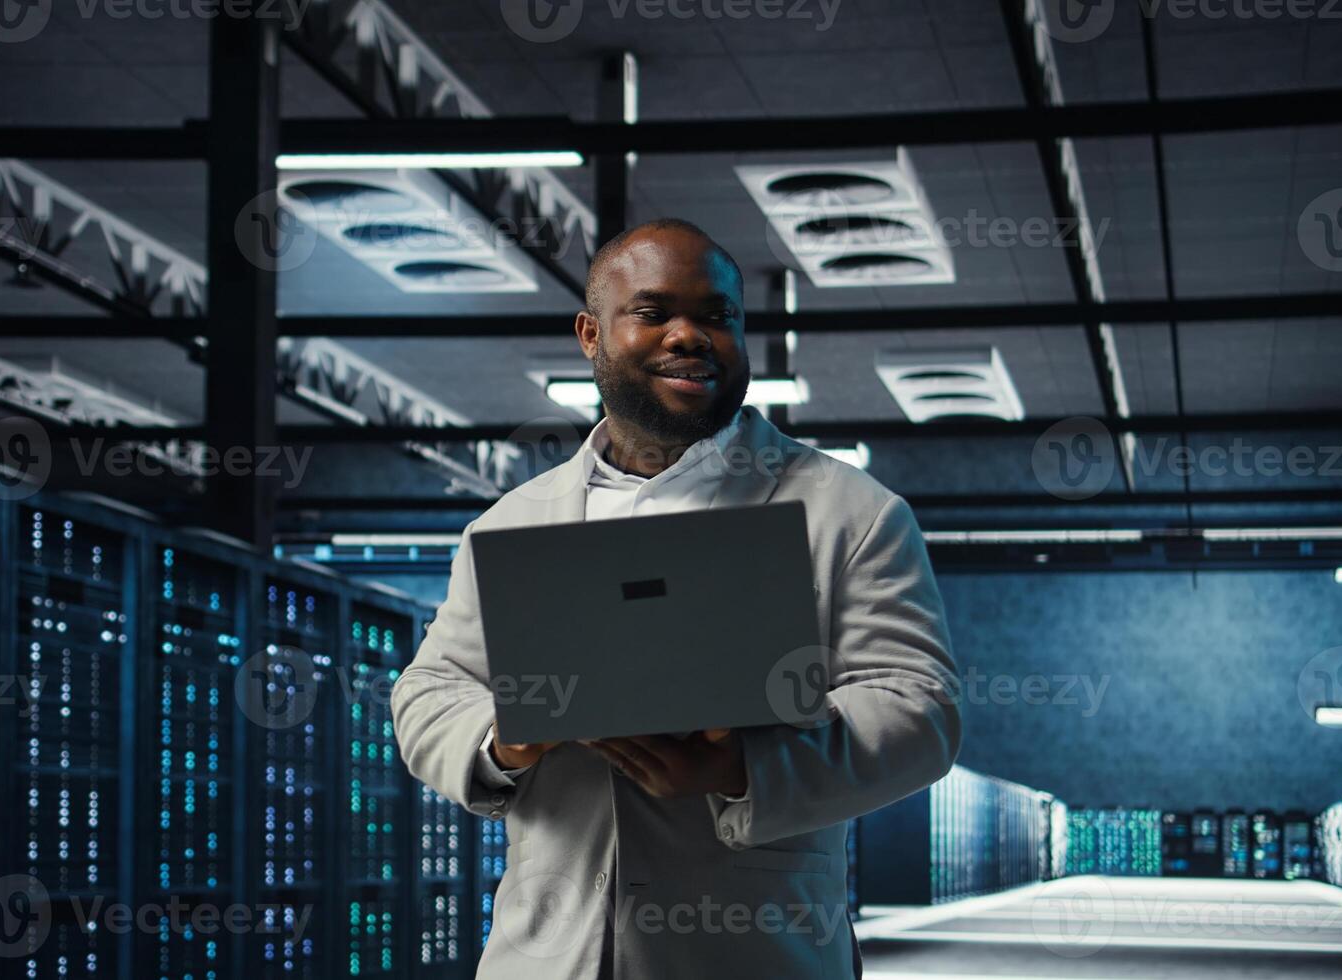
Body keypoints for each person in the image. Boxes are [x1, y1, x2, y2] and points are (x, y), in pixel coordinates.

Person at [390, 218, 962, 979]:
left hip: (756, 954)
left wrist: (741, 767)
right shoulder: (513, 521)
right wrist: (503, 741)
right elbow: (429, 692)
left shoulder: (850, 512)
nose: (690, 336)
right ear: (591, 334)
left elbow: (921, 711)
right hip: (550, 957)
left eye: (717, 316)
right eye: (654, 312)